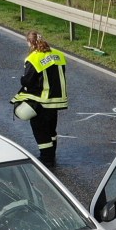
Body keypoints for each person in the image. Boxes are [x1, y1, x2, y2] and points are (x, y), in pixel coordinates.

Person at [12, 30, 69, 167]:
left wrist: (22, 80)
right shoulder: (58, 55)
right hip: (56, 100)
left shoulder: (33, 58)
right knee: (51, 129)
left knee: (39, 129)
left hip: (42, 101)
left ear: (29, 43)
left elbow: (28, 81)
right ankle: (52, 153)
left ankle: (46, 158)